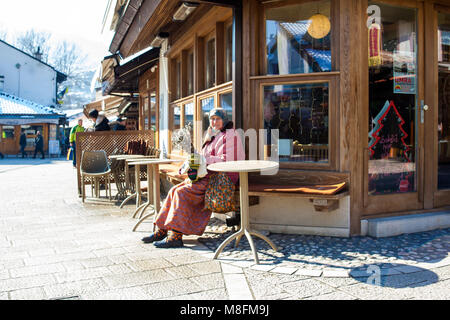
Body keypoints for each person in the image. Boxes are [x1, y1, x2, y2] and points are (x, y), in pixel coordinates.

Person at [142, 108, 245, 248]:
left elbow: (226, 160)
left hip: (221, 178)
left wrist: (202, 158)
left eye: (217, 119)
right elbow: (204, 158)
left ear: (224, 120)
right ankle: (162, 230)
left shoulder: (230, 135)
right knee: (174, 191)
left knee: (181, 193)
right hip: (207, 176)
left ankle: (176, 236)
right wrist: (192, 160)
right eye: (212, 119)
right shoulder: (213, 135)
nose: (214, 122)